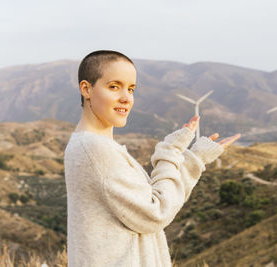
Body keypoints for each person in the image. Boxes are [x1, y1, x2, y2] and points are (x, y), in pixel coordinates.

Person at [64, 50, 241, 267]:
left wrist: (193, 159)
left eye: (131, 89)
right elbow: (156, 212)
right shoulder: (95, 150)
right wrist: (170, 152)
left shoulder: (89, 146)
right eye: (114, 86)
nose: (126, 98)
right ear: (86, 89)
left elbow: (152, 201)